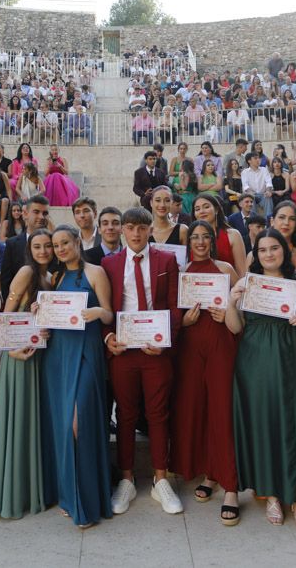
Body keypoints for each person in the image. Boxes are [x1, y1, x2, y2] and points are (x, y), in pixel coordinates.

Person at [226, 228, 296, 528]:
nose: (269, 254)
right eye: (263, 250)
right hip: (255, 362)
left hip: (293, 358)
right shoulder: (248, 283)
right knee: (265, 423)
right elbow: (234, 328)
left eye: (274, 248)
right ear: (255, 255)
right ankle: (271, 494)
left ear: (284, 251)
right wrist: (231, 301)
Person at [103, 207, 183, 516]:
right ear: (122, 230)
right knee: (124, 414)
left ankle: (160, 480)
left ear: (151, 229)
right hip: (123, 351)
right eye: (130, 227)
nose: (136, 233)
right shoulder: (109, 264)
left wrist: (164, 341)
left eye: (142, 228)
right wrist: (108, 338)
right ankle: (127, 479)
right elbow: (105, 304)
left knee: (158, 414)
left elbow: (175, 306)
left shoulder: (166, 261)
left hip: (155, 351)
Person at [40, 226, 114, 528]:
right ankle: (70, 495)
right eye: (56, 245)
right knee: (64, 427)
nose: (60, 249)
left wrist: (97, 312)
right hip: (58, 354)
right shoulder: (54, 278)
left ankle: (88, 499)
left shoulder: (96, 272)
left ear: (76, 242)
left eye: (65, 243)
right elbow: (50, 318)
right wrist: (39, 313)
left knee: (78, 422)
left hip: (85, 351)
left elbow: (110, 314)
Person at [169, 220, 241, 525]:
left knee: (222, 410)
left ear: (212, 240)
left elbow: (243, 311)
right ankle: (210, 474)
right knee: (196, 409)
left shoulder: (226, 270)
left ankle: (231, 486)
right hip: (190, 349)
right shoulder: (181, 273)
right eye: (194, 237)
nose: (199, 241)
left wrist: (228, 314)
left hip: (221, 345)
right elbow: (173, 314)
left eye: (205, 237)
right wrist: (183, 322)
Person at [0, 229, 54, 519]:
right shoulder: (26, 272)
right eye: (37, 246)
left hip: (39, 355)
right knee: (19, 421)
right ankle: (13, 492)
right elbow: (6, 313)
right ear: (29, 249)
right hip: (20, 356)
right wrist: (10, 349)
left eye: (47, 246)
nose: (42, 251)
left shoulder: (49, 277)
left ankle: (31, 487)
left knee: (32, 421)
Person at [0, 195, 50, 305]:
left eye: (45, 213)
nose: (41, 217)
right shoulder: (12, 244)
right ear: (25, 214)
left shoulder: (54, 243)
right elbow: (5, 280)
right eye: (36, 212)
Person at [192, 192, 247, 276]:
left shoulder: (233, 235)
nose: (201, 211)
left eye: (206, 207)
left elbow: (242, 273)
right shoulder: (190, 237)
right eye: (197, 209)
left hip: (229, 286)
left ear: (217, 209)